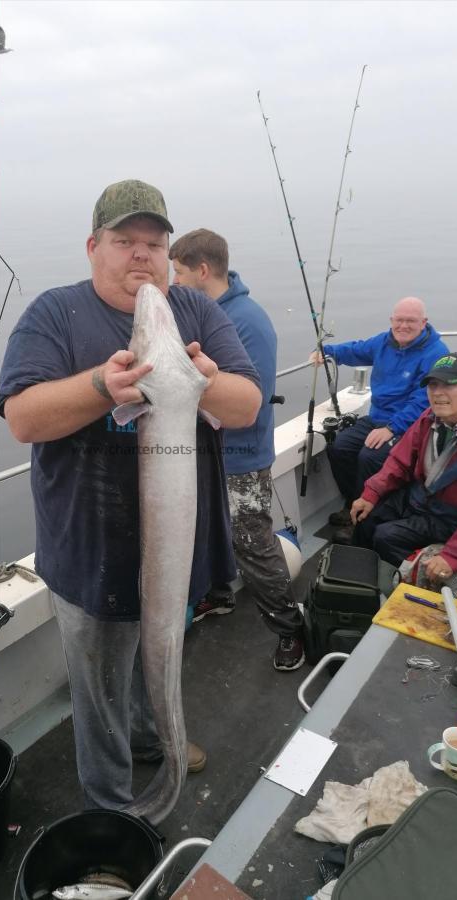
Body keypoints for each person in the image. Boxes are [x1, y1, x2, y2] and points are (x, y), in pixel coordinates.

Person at [0, 181, 261, 811]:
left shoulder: (194, 312)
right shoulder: (54, 314)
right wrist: (99, 387)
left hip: (178, 544)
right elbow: (23, 420)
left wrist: (204, 381)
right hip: (87, 549)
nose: (141, 255)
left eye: (154, 243)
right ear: (94, 247)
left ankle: (157, 739)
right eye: (124, 241)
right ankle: (113, 805)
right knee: (100, 689)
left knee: (162, 645)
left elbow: (247, 404)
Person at [169, 228, 305, 671]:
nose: (172, 282)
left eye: (179, 272)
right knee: (204, 534)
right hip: (203, 455)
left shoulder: (246, 320)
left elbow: (254, 397)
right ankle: (219, 595)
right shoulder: (201, 313)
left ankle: (290, 630)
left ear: (203, 270)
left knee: (253, 545)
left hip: (241, 458)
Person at [350, 353, 457, 584]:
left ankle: (427, 586)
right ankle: (356, 585)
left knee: (386, 537)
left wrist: (454, 555)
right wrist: (372, 493)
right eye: (433, 384)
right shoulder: (431, 416)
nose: (438, 393)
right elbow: (400, 460)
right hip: (423, 499)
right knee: (364, 518)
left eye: (450, 384)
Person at [310, 296, 449, 541]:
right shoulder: (384, 342)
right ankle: (353, 504)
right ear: (391, 321)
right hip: (377, 418)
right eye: (399, 320)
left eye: (411, 321)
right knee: (339, 447)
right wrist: (327, 352)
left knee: (370, 457)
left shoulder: (435, 353)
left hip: (411, 427)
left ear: (424, 322)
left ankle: (363, 521)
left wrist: (392, 428)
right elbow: (356, 349)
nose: (403, 326)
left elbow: (424, 400)